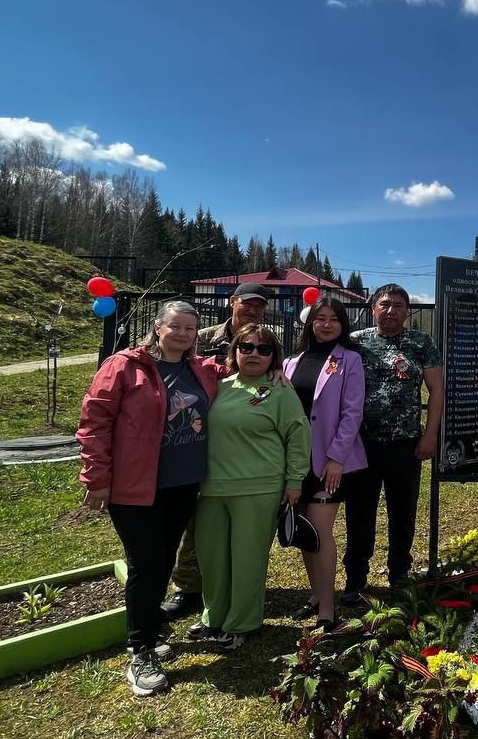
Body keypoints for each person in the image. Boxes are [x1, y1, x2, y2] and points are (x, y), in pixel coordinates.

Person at [77, 300, 219, 696]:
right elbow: (95, 421)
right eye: (175, 326)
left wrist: (275, 371)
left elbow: (244, 370)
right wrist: (96, 477)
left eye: (191, 329)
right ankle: (141, 649)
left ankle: (152, 628)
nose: (183, 334)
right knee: (146, 562)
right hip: (136, 486)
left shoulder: (200, 369)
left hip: (183, 484)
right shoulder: (124, 366)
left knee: (164, 557)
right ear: (157, 328)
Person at [188, 324, 309, 650]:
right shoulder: (217, 387)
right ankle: (214, 616)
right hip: (212, 487)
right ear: (235, 351)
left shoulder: (280, 391)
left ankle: (242, 622)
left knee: (247, 559)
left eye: (264, 349)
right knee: (212, 558)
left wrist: (295, 480)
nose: (254, 353)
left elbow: (298, 437)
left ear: (274, 357)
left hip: (259, 487)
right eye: (247, 347)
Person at [162, 281, 273, 621]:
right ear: (232, 302)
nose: (252, 310)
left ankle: (235, 582)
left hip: (241, 439)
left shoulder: (266, 340)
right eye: (247, 303)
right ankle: (188, 587)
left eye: (259, 306)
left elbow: (276, 374)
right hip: (195, 433)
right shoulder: (203, 339)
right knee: (195, 516)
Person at [343, 284, 444, 601]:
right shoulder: (356, 343)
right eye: (385, 304)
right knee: (360, 512)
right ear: (373, 307)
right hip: (363, 444)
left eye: (399, 305)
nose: (391, 311)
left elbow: (437, 390)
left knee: (403, 512)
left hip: (406, 445)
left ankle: (399, 575)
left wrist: (430, 435)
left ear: (407, 311)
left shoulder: (421, 343)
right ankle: (356, 579)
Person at [283, 298, 367, 629]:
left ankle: (328, 610)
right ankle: (315, 595)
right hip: (296, 460)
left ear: (343, 325)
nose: (327, 324)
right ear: (310, 323)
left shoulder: (350, 360)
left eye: (334, 319)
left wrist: (336, 458)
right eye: (320, 318)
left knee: (320, 531)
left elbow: (352, 412)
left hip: (330, 461)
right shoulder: (290, 362)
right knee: (305, 533)